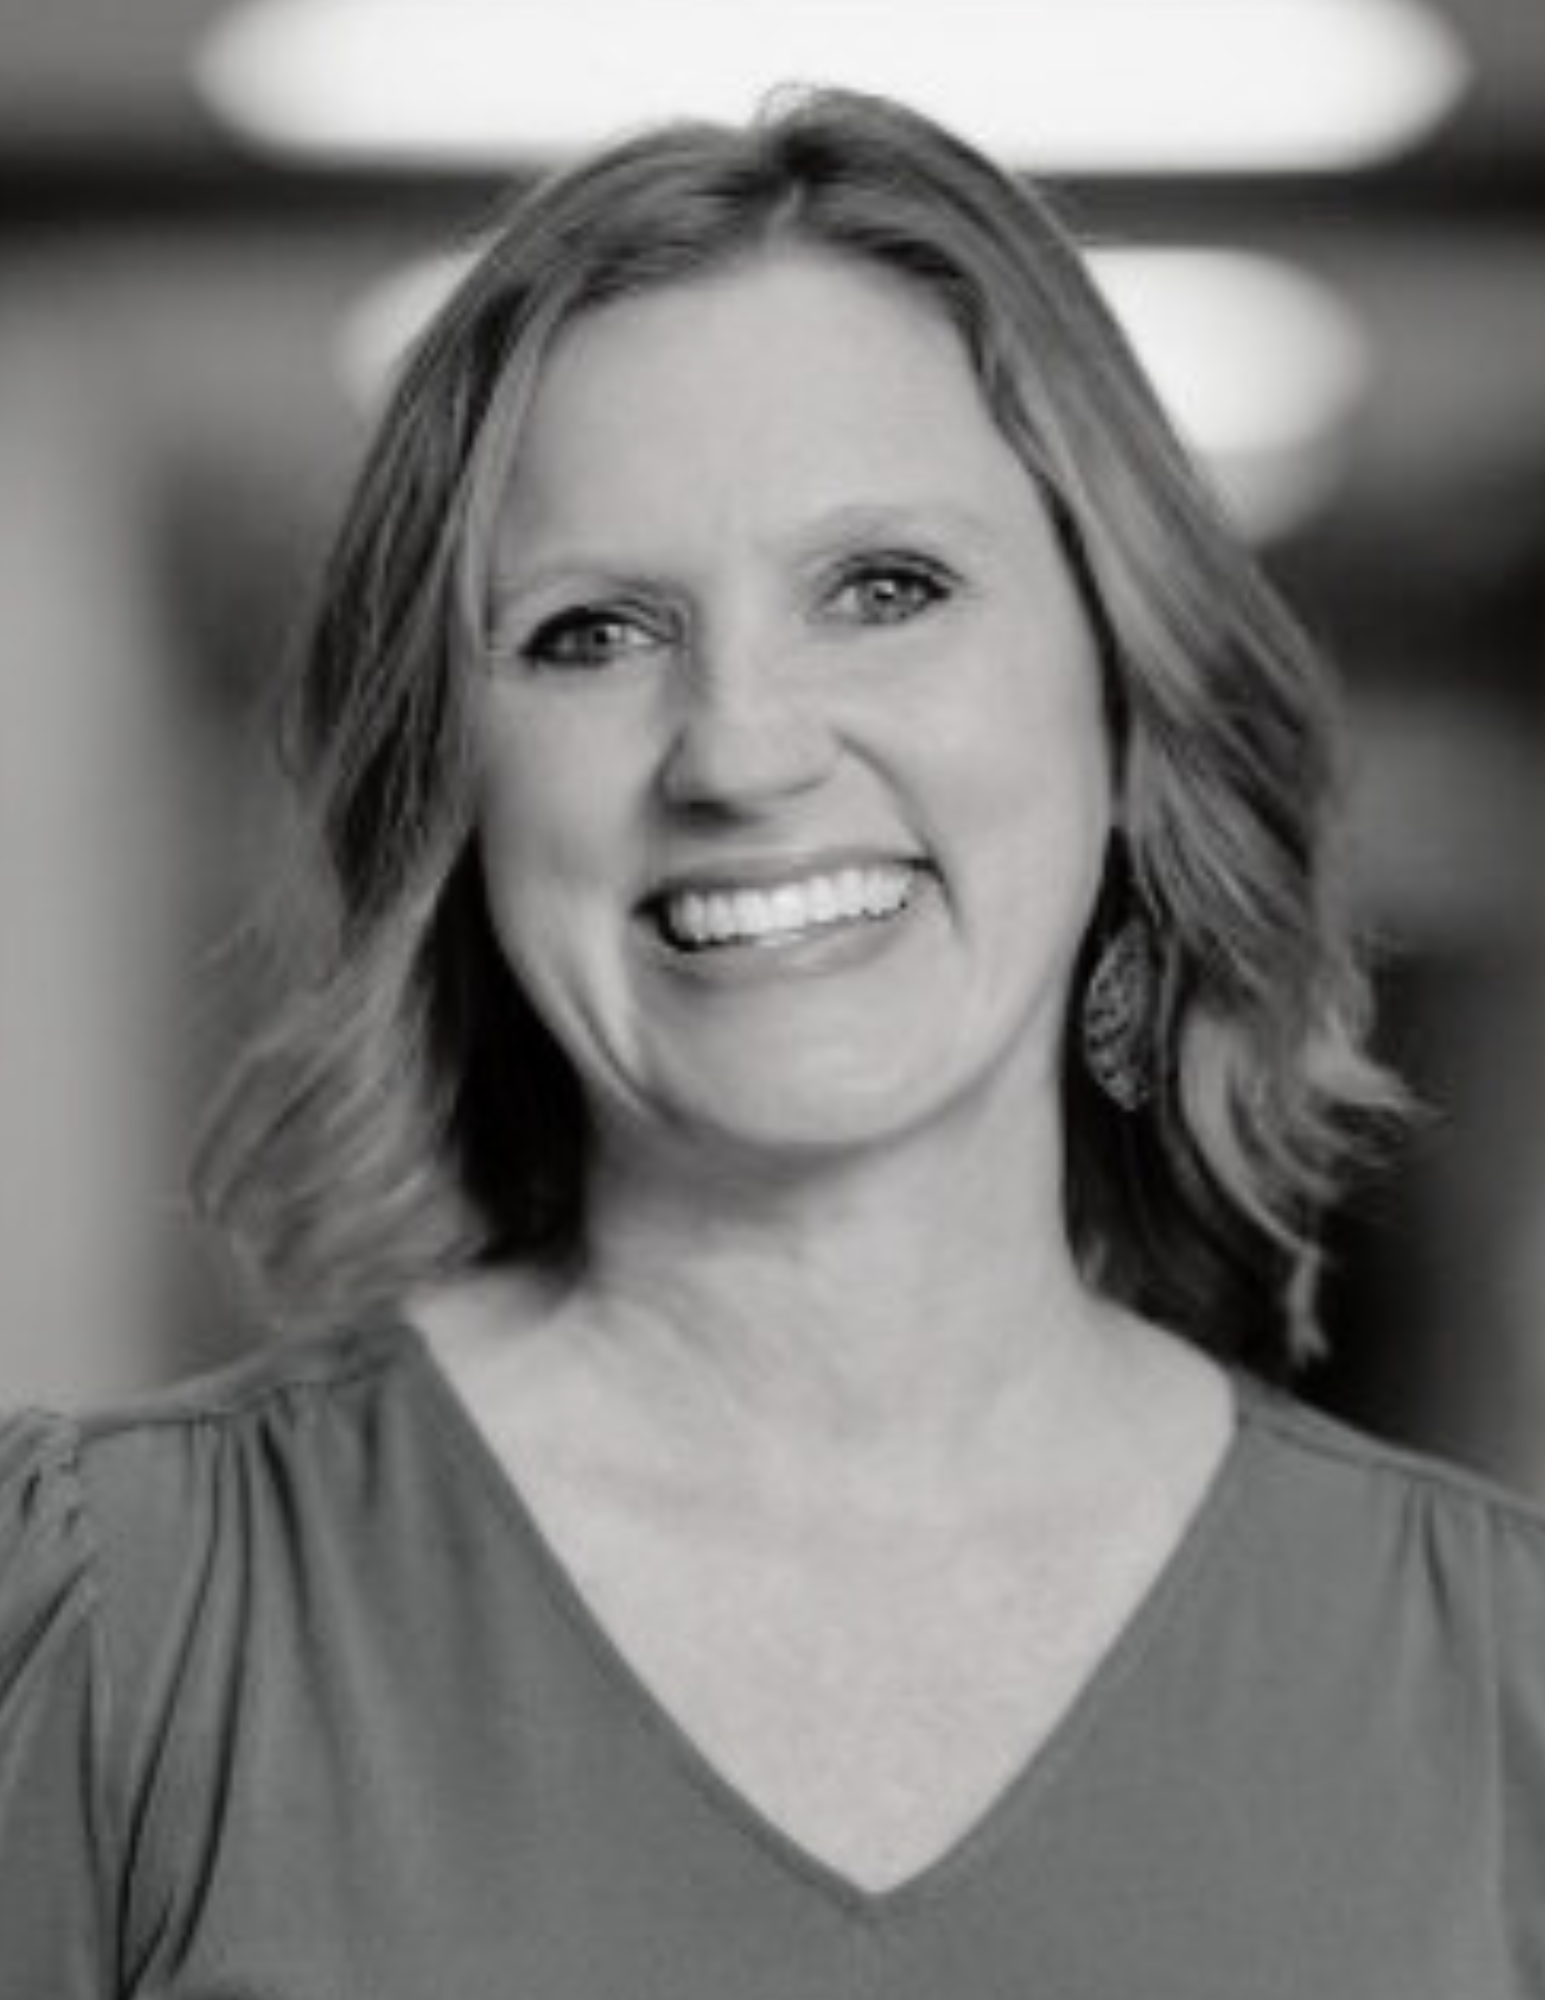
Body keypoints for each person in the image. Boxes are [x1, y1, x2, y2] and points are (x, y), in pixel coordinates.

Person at [1, 84, 1541, 1998]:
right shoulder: (115, 1618)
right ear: (460, 802)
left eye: (883, 589)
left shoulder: (1502, 1690)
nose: (738, 747)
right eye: (589, 632)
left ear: (1131, 718)